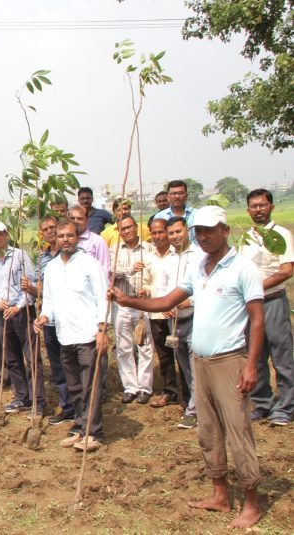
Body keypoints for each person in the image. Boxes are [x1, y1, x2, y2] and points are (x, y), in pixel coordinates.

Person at [110, 206, 264, 529]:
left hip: (230, 361)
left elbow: (257, 320)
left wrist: (251, 366)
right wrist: (129, 302)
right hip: (201, 362)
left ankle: (252, 502)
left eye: (209, 230)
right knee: (207, 431)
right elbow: (166, 301)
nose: (203, 236)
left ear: (225, 229)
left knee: (238, 432)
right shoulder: (198, 268)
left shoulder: (242, 269)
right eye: (199, 231)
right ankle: (220, 494)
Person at [34, 220, 109, 451]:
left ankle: (93, 432)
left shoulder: (89, 263)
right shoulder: (52, 267)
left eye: (69, 235)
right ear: (55, 238)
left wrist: (102, 329)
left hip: (88, 335)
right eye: (61, 236)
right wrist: (44, 317)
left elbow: (102, 298)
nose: (65, 239)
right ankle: (79, 426)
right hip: (64, 335)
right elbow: (49, 301)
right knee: (74, 386)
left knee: (90, 385)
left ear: (77, 237)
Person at [240, 189, 294, 426]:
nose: (258, 210)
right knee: (256, 355)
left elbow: (286, 270)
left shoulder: (280, 234)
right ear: (248, 210)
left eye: (262, 205)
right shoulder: (246, 237)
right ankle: (262, 403)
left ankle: (287, 406)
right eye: (253, 206)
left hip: (272, 301)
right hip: (250, 306)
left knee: (281, 355)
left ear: (271, 206)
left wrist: (257, 287)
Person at [0, 221, 44, 414]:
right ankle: (21, 397)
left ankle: (38, 401)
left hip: (23, 313)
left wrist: (18, 306)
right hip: (3, 315)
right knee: (11, 358)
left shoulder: (20, 256)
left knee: (31, 357)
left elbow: (31, 285)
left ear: (6, 235)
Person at [22, 216, 74, 424]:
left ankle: (80, 406)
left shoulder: (74, 255)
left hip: (71, 318)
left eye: (55, 228)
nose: (51, 231)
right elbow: (41, 291)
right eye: (46, 229)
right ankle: (66, 405)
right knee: (58, 364)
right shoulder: (42, 259)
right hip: (50, 319)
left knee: (74, 364)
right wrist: (31, 289)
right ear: (41, 233)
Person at [158, 216, 203, 429]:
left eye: (178, 231)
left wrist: (189, 301)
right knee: (184, 366)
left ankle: (195, 410)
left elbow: (207, 288)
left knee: (197, 366)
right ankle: (194, 405)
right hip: (174, 322)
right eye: (171, 233)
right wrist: (165, 305)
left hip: (197, 317)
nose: (175, 236)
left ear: (187, 231)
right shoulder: (167, 260)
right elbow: (161, 288)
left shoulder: (200, 256)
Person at [109, 216, 155, 404]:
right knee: (124, 347)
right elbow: (112, 272)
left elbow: (154, 274)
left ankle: (145, 387)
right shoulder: (114, 250)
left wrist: (148, 289)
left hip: (143, 304)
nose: (127, 231)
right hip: (121, 306)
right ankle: (130, 387)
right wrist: (131, 269)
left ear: (136, 227)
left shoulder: (149, 248)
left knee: (144, 345)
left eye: (129, 227)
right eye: (123, 229)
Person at [145, 218, 182, 409]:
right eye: (154, 233)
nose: (158, 236)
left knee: (182, 353)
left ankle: (188, 391)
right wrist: (145, 290)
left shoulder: (177, 257)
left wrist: (172, 304)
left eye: (161, 232)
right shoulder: (149, 257)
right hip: (156, 312)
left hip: (176, 311)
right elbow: (146, 281)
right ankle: (170, 391)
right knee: (164, 355)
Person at [68, 205, 111, 274]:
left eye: (79, 218)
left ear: (87, 221)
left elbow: (104, 269)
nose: (75, 221)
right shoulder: (64, 241)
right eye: (72, 218)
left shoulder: (97, 241)